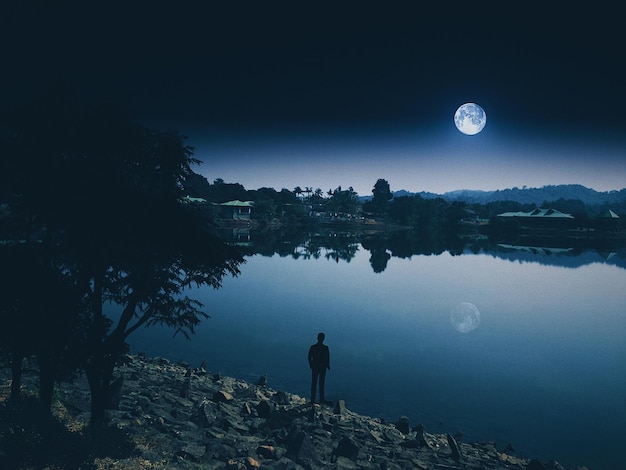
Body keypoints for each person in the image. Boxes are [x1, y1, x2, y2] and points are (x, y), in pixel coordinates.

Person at [308, 332, 330, 403]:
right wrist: (327, 365)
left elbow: (309, 357)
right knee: (320, 383)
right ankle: (320, 399)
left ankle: (313, 399)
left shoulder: (313, 347)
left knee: (315, 383)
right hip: (321, 367)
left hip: (316, 367)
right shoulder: (325, 348)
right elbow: (327, 358)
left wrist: (311, 365)